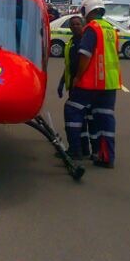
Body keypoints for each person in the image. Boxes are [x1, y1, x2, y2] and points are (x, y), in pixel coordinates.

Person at [65, 0, 121, 169]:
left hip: (92, 81)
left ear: (86, 11)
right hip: (110, 83)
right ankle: (106, 157)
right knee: (105, 118)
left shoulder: (92, 29)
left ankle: (76, 151)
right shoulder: (111, 29)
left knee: (72, 109)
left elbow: (85, 55)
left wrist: (77, 77)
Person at [55, 15, 92, 159]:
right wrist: (62, 81)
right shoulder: (71, 42)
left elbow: (82, 64)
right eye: (73, 24)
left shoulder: (84, 41)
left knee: (72, 116)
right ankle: (84, 149)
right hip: (73, 85)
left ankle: (75, 150)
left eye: (78, 24)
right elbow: (69, 65)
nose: (75, 26)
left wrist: (77, 79)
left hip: (81, 85)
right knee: (80, 120)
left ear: (83, 25)